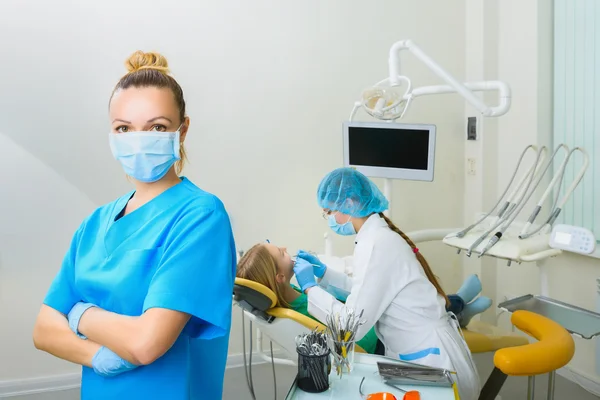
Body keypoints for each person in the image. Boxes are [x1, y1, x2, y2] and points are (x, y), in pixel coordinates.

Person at [32, 51, 236, 400]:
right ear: (112, 134)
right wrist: (96, 355)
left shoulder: (201, 216)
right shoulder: (94, 223)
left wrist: (80, 314)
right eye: (124, 128)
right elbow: (43, 330)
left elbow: (146, 344)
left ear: (182, 130)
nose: (138, 140)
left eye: (156, 127)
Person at [293, 167, 481, 400]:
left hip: (430, 359)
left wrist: (310, 288)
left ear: (350, 204)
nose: (330, 219)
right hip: (414, 353)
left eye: (329, 212)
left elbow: (351, 326)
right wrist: (325, 274)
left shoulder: (377, 245)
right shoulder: (373, 239)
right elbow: (369, 291)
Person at [235, 242, 491, 354]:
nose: (286, 250)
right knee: (404, 299)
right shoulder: (302, 305)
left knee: (395, 294)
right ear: (279, 277)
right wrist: (313, 288)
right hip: (373, 337)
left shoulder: (294, 297)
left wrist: (322, 277)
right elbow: (351, 331)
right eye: (280, 252)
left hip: (362, 319)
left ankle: (457, 306)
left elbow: (340, 300)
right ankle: (455, 304)